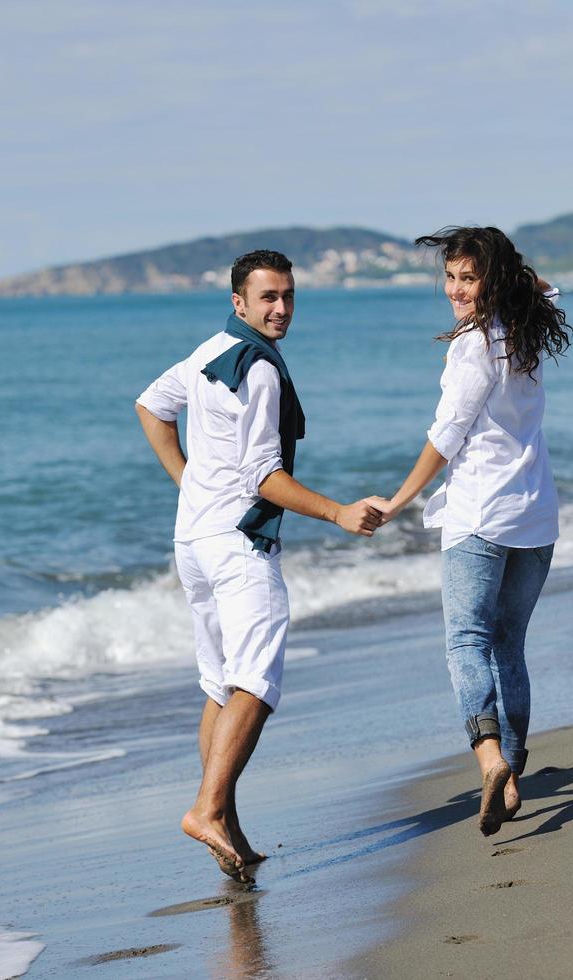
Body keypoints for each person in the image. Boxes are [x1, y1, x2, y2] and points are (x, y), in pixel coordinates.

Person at [136, 249, 385, 881]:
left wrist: (189, 484)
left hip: (192, 540)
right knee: (258, 682)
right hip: (237, 546)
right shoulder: (262, 371)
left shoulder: (209, 349)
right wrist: (338, 513)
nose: (280, 309)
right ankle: (207, 809)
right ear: (238, 302)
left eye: (289, 296)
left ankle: (226, 822)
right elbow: (263, 478)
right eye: (267, 297)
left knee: (221, 685)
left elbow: (151, 407)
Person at [371, 226, 570, 837]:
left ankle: (488, 758)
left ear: (493, 282)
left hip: (480, 515)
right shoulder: (528, 329)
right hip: (535, 517)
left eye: (469, 277)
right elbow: (548, 288)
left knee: (465, 641)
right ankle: (511, 777)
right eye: (451, 278)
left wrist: (400, 500)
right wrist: (507, 272)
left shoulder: (475, 345)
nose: (456, 290)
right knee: (507, 644)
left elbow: (446, 435)